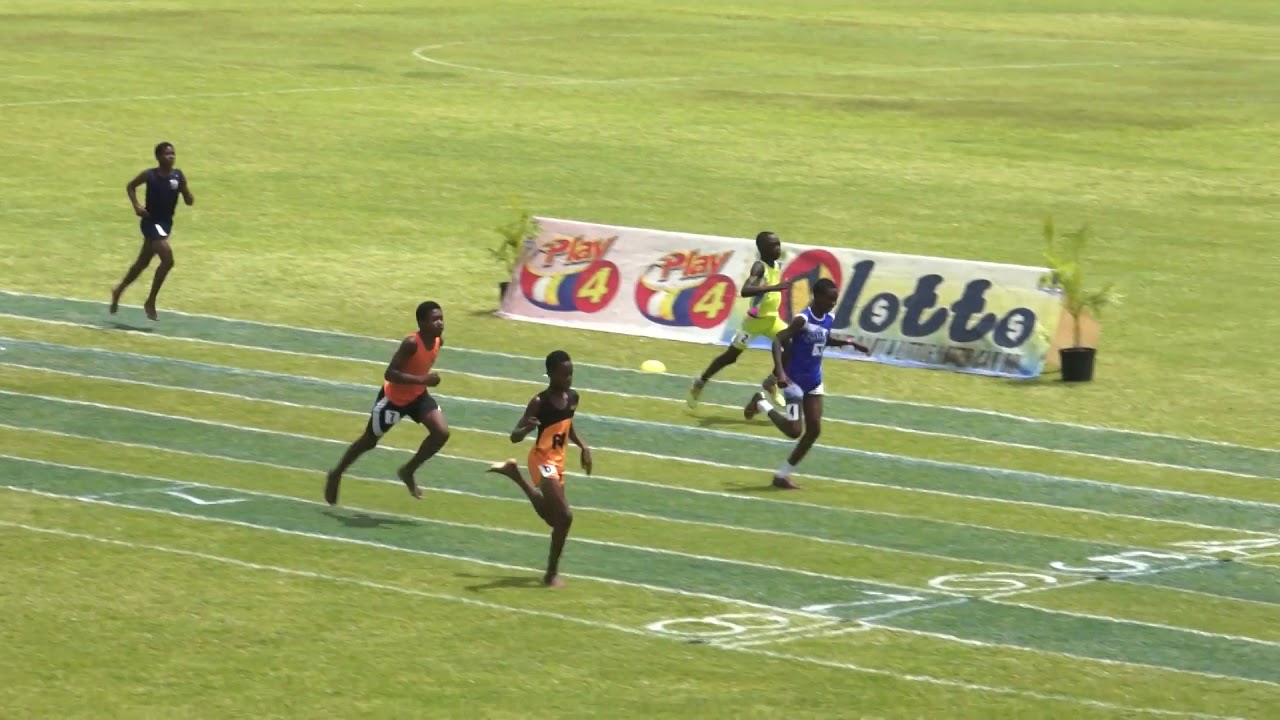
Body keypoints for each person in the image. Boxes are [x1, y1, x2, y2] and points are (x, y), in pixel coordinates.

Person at [744, 278, 869, 489]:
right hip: (794, 383)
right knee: (794, 431)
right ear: (817, 296)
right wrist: (780, 373)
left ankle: (781, 476)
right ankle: (761, 404)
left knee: (814, 431)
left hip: (814, 381)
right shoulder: (802, 319)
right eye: (830, 300)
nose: (833, 304)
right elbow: (778, 340)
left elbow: (823, 338)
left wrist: (849, 343)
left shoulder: (829, 317)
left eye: (835, 300)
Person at [325, 301, 450, 505]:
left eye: (441, 318)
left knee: (441, 433)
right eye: (434, 319)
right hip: (393, 401)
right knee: (369, 441)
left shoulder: (438, 342)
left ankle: (408, 470)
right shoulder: (411, 343)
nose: (440, 323)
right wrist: (423, 380)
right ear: (421, 323)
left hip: (418, 397)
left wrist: (421, 383)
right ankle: (336, 473)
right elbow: (390, 374)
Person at [487, 350, 592, 588]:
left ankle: (513, 473)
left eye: (571, 374)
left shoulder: (573, 397)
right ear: (551, 374)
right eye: (564, 374)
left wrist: (584, 446)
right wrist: (525, 429)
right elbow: (514, 436)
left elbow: (567, 425)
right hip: (541, 461)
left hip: (558, 462)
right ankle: (551, 573)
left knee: (553, 519)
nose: (569, 379)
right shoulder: (539, 402)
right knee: (565, 516)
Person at [687, 231, 792, 410]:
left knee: (793, 346)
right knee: (730, 357)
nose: (778, 248)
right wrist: (776, 287)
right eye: (773, 245)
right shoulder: (759, 267)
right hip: (754, 322)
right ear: (763, 249)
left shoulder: (776, 265)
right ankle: (701, 381)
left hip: (772, 320)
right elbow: (746, 290)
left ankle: (771, 382)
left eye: (778, 244)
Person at [111, 142, 194, 321]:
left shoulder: (178, 176)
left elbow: (188, 197)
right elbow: (130, 186)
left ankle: (118, 290)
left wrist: (188, 196)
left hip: (165, 224)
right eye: (166, 154)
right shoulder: (150, 175)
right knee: (168, 259)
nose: (171, 157)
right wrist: (137, 206)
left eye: (173, 154)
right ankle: (150, 301)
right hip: (150, 221)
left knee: (142, 263)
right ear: (158, 157)